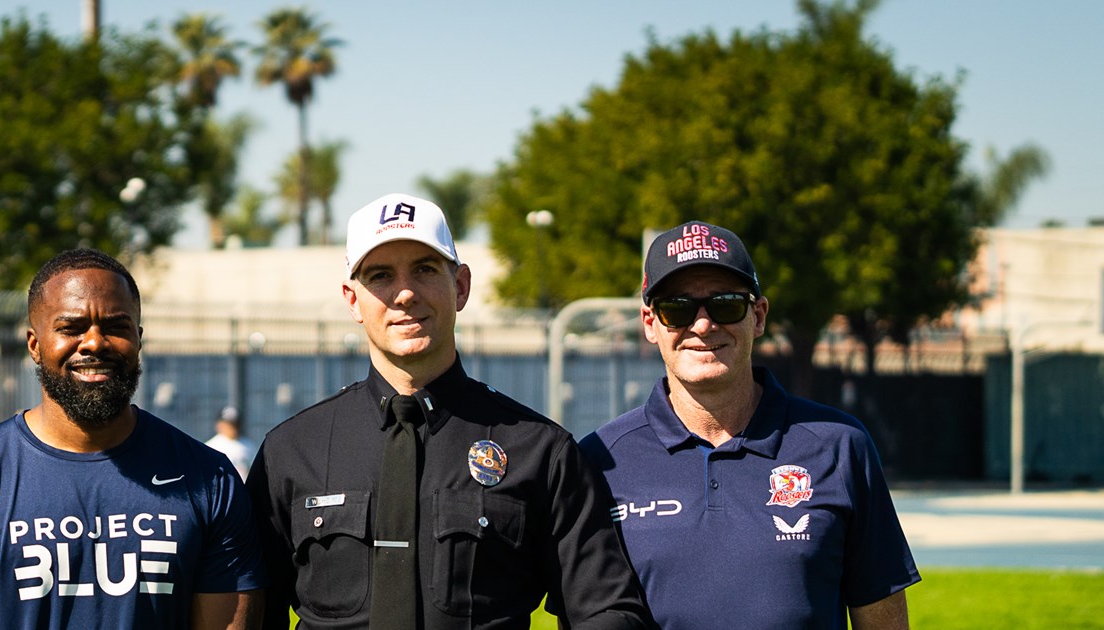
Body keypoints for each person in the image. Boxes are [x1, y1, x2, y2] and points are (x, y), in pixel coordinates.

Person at [247, 193, 652, 629]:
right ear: (352, 299)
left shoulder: (539, 450)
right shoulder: (291, 452)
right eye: (380, 275)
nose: (404, 293)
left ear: (460, 286)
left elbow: (606, 610)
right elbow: (249, 614)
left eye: (424, 269)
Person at [577, 221, 920, 629]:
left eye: (725, 304)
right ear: (650, 323)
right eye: (677, 308)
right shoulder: (600, 460)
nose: (702, 325)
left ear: (758, 316)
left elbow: (883, 621)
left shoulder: (839, 446)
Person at [0, 248, 264, 629]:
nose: (94, 342)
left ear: (138, 338)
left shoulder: (209, 479)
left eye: (116, 326)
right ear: (34, 344)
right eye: (71, 328)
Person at [205, 406, 257, 481]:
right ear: (219, 425)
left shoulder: (248, 445)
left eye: (235, 424)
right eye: (229, 424)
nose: (233, 428)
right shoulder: (211, 446)